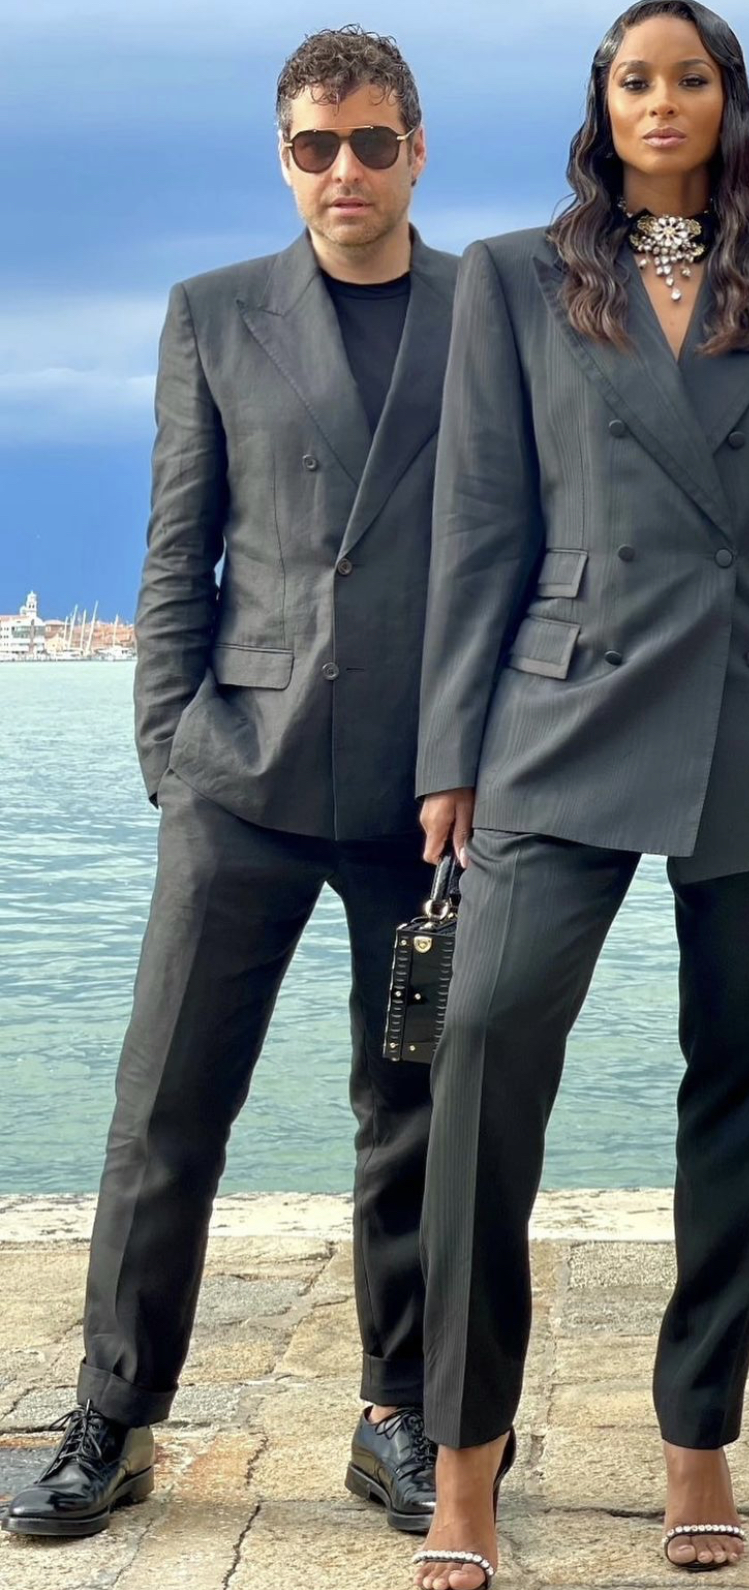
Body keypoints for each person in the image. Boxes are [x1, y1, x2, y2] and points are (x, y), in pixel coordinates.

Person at [409, 3, 749, 1584]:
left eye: (691, 76)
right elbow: (479, 523)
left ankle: (699, 1431)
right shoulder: (513, 277)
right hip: (559, 709)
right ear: (605, 105)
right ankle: (464, 1454)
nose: (663, 99)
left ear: (727, 103)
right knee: (483, 1045)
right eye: (637, 78)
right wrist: (448, 754)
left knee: (742, 1083)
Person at [1, 26, 456, 1544]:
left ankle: (397, 1414)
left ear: (417, 151)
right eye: (317, 146)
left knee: (411, 1106)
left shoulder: (493, 308)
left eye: (373, 142)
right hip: (239, 780)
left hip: (425, 801)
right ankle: (114, 1419)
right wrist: (167, 756)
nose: (346, 170)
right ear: (285, 157)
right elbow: (175, 547)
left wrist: (489, 758)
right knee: (165, 1110)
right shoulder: (211, 312)